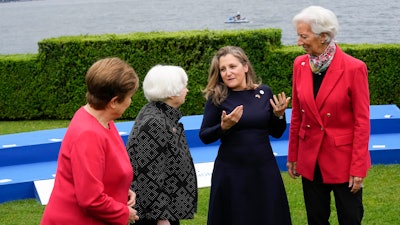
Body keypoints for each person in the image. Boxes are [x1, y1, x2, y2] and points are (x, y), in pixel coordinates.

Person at [287, 6, 371, 225]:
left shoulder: (354, 68)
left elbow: (362, 122)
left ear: (323, 36)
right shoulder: (300, 65)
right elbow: (297, 114)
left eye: (303, 36)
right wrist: (293, 155)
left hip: (343, 160)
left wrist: (358, 167)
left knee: (350, 218)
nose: (299, 42)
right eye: (298, 35)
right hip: (310, 157)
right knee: (315, 218)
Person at [199, 45, 292, 225]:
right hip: (232, 172)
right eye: (223, 69)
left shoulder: (264, 92)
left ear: (245, 66)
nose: (227, 73)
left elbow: (277, 132)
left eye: (232, 67)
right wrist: (223, 126)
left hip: (263, 170)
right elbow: (205, 135)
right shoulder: (217, 97)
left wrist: (279, 116)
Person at [41, 57, 140, 224]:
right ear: (114, 102)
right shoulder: (88, 134)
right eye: (129, 97)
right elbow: (90, 198)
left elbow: (102, 171)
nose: (130, 102)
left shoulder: (103, 120)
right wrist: (123, 213)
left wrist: (121, 189)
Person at [126, 65, 198, 225]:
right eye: (184, 86)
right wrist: (161, 218)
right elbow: (150, 173)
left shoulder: (159, 114)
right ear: (173, 91)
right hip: (155, 216)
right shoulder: (154, 122)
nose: (187, 90)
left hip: (166, 208)